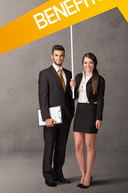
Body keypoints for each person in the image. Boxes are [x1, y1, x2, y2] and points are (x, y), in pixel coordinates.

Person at [38, 45, 75, 187]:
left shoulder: (69, 73)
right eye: (56, 55)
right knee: (49, 146)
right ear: (52, 56)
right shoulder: (45, 74)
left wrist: (73, 88)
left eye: (61, 55)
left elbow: (73, 96)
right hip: (51, 118)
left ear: (64, 56)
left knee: (61, 147)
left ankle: (58, 174)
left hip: (65, 117)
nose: (59, 58)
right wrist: (46, 117)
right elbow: (42, 97)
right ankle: (48, 175)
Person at [70, 53, 105, 189]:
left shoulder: (99, 79)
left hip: (91, 112)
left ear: (94, 64)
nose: (88, 65)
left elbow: (101, 100)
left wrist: (99, 117)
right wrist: (72, 87)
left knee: (89, 147)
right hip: (80, 111)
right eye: (85, 63)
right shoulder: (78, 76)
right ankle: (84, 174)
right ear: (82, 63)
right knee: (78, 146)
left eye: (90, 63)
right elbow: (74, 97)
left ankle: (88, 175)